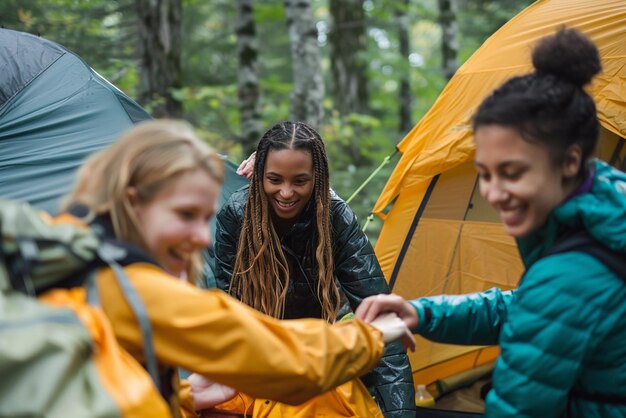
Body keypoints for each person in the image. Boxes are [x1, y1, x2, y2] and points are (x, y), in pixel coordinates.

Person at [59, 119, 413, 418]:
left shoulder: (65, 254)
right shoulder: (132, 289)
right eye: (185, 215)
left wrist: (185, 398)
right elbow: (261, 347)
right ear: (134, 203)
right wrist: (373, 335)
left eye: (203, 218)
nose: (201, 238)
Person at [355, 27, 626, 418]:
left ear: (569, 161)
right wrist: (422, 313)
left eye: (512, 172)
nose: (494, 193)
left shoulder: (570, 275)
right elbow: (530, 306)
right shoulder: (606, 202)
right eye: (485, 173)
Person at [213, 121, 415, 417]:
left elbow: (381, 318)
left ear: (317, 179)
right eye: (274, 179)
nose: (285, 193)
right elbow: (228, 311)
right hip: (258, 351)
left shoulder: (335, 218)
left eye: (299, 181)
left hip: (318, 352)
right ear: (258, 177)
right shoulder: (237, 214)